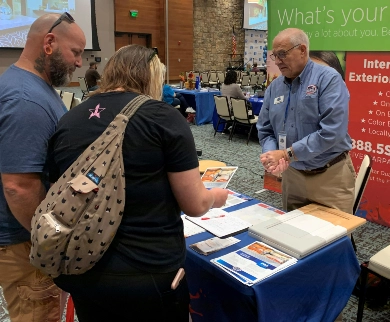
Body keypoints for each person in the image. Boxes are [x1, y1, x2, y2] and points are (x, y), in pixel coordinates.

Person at [48, 45, 228, 322]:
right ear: (153, 76)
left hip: (83, 266)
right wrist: (215, 196)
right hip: (148, 271)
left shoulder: (70, 118)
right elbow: (194, 204)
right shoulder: (161, 116)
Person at [0, 13, 85, 322]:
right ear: (49, 43)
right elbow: (18, 186)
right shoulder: (27, 100)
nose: (79, 63)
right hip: (26, 246)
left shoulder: (30, 85)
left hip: (28, 241)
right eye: (75, 52)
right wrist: (51, 243)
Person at [257, 28, 355, 216]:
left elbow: (332, 131)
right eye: (275, 55)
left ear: (302, 50)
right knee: (294, 237)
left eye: (282, 54)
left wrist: (287, 154)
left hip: (330, 177)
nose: (277, 61)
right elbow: (266, 128)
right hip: (292, 178)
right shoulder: (275, 87)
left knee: (332, 239)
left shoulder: (328, 79)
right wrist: (270, 156)